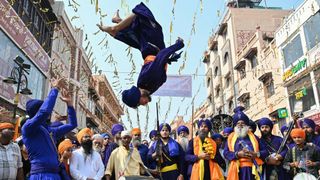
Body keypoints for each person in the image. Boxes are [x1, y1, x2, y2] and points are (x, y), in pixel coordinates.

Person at [98, 2, 185, 108]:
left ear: (138, 95)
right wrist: (168, 60)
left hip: (153, 47)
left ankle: (115, 28)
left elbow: (161, 56)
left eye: (139, 102)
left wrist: (178, 45)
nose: (143, 104)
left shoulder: (146, 79)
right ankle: (117, 20)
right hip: (148, 49)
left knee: (143, 15)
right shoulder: (149, 89)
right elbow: (160, 63)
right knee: (137, 32)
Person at [22, 78, 77, 179]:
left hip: (55, 175)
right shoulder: (28, 128)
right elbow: (44, 112)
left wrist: (69, 104)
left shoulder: (50, 131)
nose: (50, 113)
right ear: (37, 112)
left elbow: (72, 124)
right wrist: (55, 89)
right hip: (41, 175)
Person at [224, 107, 267, 180]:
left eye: (242, 123)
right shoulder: (231, 138)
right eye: (238, 123)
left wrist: (256, 154)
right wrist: (237, 154)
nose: (240, 125)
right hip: (237, 171)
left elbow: (265, 152)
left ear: (246, 125)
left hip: (252, 171)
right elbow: (226, 153)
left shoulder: (254, 137)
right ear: (235, 125)